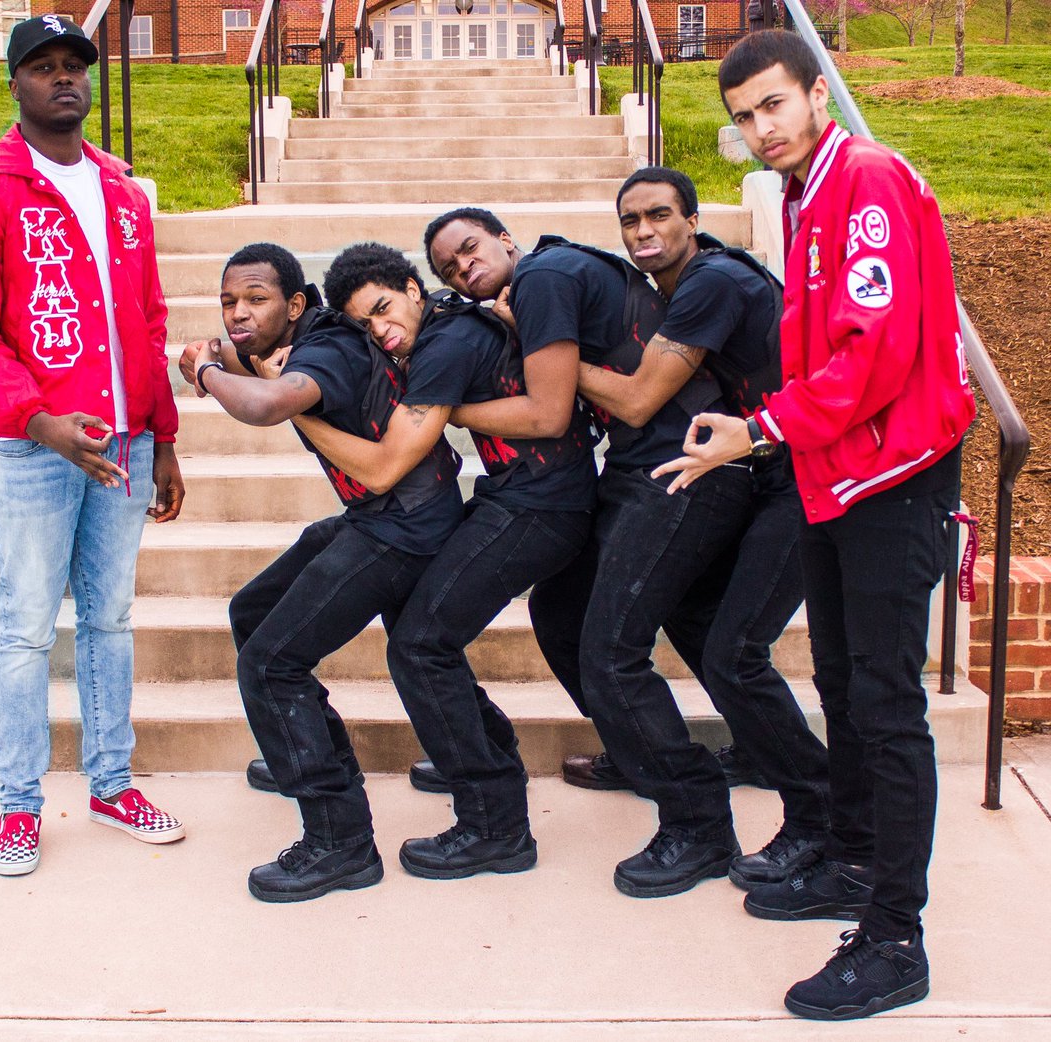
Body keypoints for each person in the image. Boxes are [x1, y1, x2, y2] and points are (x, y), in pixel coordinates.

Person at [653, 30, 976, 1020]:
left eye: (775, 106)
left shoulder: (866, 180)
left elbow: (875, 356)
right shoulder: (807, 193)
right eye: (745, 116)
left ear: (817, 93)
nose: (762, 129)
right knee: (840, 682)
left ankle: (895, 935)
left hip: (896, 477)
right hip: (839, 474)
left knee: (883, 707)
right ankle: (853, 861)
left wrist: (757, 431)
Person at [426, 207, 757, 899]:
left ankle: (698, 823)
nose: (463, 267)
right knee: (561, 607)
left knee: (611, 652)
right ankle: (639, 750)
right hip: (644, 470)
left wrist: (445, 412)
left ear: (506, 240)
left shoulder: (543, 278)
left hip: (683, 471)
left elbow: (547, 415)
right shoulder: (558, 274)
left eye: (469, 249)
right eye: (449, 268)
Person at [0, 15, 186, 877]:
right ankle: (18, 806)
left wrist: (166, 434)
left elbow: (147, 323)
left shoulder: (121, 191)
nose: (63, 80)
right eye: (42, 67)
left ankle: (112, 784)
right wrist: (38, 420)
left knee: (110, 619)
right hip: (36, 450)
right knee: (24, 630)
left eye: (74, 65)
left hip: (124, 444)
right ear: (14, 84)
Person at [280, 242, 598, 879]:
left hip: (541, 508)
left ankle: (494, 824)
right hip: (518, 496)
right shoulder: (445, 327)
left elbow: (386, 467)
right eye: (365, 325)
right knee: (419, 627)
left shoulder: (445, 344)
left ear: (413, 288)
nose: (380, 330)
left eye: (384, 308)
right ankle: (483, 751)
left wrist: (297, 411)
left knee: (421, 644)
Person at [561, 166, 833, 892]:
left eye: (658, 216)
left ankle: (813, 815)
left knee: (732, 654)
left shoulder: (711, 280)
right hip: (766, 466)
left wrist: (552, 351)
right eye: (630, 221)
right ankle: (758, 749)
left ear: (692, 218)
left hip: (805, 476)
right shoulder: (687, 285)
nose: (643, 232)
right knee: (700, 623)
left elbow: (641, 400)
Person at [179, 243, 465, 902]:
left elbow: (264, 405)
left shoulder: (324, 352)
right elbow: (245, 358)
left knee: (268, 663)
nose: (240, 313)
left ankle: (340, 842)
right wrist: (220, 353)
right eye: (229, 302)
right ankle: (301, 751)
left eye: (256, 298)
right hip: (380, 517)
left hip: (403, 530)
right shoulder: (288, 340)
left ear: (297, 304)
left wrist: (204, 372)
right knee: (252, 615)